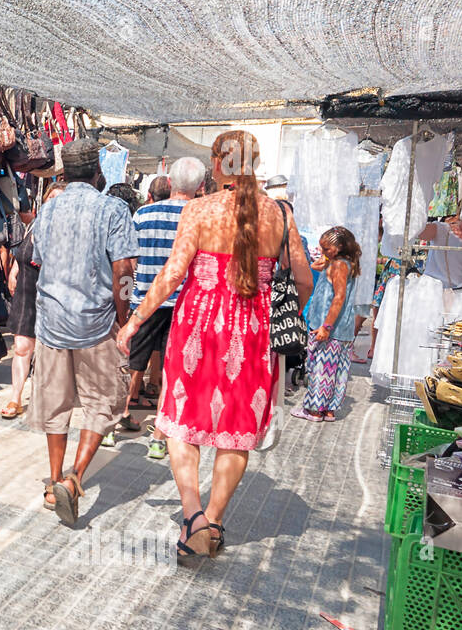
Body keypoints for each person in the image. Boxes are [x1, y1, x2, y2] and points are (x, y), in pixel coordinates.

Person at [118, 131, 313, 562]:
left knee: (180, 420)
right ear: (256, 164)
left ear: (218, 165)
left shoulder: (200, 210)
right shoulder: (280, 215)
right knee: (236, 434)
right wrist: (272, 309)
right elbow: (304, 280)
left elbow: (171, 275)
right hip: (254, 332)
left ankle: (193, 520)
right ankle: (216, 520)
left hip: (197, 327)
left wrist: (134, 321)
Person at [30, 139, 139, 526]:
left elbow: (37, 258)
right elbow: (124, 268)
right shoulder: (113, 208)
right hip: (96, 323)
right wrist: (123, 314)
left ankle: (53, 481)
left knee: (55, 405)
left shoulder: (50, 208)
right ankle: (75, 478)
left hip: (52, 322)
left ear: (64, 172)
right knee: (101, 402)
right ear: (98, 173)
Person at [119, 157, 206, 460]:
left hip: (145, 299)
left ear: (169, 183)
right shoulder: (201, 217)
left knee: (133, 363)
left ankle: (113, 423)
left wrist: (129, 293)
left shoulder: (142, 214)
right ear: (201, 187)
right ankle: (158, 435)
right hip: (184, 303)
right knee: (170, 368)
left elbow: (128, 259)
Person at [1, 182, 63, 419]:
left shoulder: (67, 230)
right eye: (51, 198)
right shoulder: (35, 224)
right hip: (26, 291)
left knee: (48, 352)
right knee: (21, 348)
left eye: (60, 199)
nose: (54, 202)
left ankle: (44, 397)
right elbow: (22, 252)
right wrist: (15, 270)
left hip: (51, 295)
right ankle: (16, 397)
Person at [294, 226, 361, 422]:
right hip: (343, 329)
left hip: (329, 328)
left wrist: (326, 326)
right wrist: (326, 258)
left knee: (320, 369)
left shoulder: (339, 265)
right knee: (337, 370)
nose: (322, 253)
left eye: (326, 249)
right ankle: (329, 410)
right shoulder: (343, 263)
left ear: (340, 247)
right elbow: (315, 267)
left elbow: (338, 298)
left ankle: (314, 410)